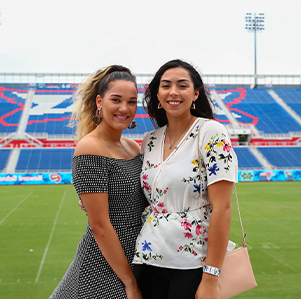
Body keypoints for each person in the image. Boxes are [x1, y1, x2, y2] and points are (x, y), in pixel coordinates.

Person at [132, 59, 238, 299]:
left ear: (195, 93)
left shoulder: (211, 132)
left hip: (193, 262)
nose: (173, 92)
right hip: (148, 257)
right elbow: (147, 198)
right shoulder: (150, 140)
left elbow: (222, 207)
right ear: (157, 94)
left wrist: (211, 277)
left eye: (182, 85)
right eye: (166, 85)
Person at [49, 65, 147, 299]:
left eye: (132, 101)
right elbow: (99, 226)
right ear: (100, 102)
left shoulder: (133, 147)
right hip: (102, 268)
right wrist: (130, 283)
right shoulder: (90, 148)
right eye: (116, 100)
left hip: (136, 258)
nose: (125, 108)